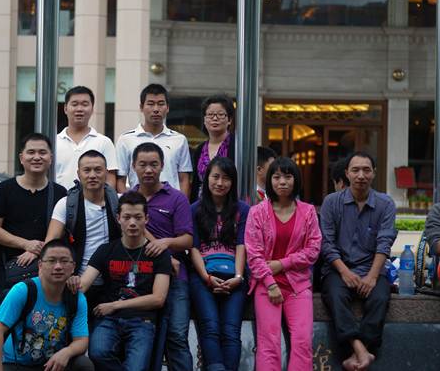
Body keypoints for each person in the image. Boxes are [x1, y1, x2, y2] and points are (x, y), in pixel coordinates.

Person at [320, 151, 397, 371]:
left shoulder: (385, 204)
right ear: (347, 173)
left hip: (372, 268)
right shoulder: (331, 202)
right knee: (335, 296)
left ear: (374, 173)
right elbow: (326, 244)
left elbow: (384, 243)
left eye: (366, 170)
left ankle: (359, 352)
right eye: (355, 170)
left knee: (380, 298)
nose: (361, 175)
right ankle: (360, 349)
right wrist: (344, 272)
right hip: (338, 268)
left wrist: (372, 277)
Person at [79, 191, 172, 371]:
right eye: (127, 217)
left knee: (137, 367)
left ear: (146, 219)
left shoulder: (159, 254)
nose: (132, 223)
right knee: (97, 353)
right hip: (109, 320)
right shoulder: (106, 250)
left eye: (138, 217)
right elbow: (84, 284)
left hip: (142, 320)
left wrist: (115, 305)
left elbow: (158, 298)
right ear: (118, 218)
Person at [245, 156, 322, 371]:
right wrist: (270, 284)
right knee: (269, 343)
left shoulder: (308, 212)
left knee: (302, 340)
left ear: (296, 180)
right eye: (277, 177)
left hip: (298, 285)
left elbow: (313, 250)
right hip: (266, 285)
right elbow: (254, 254)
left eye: (288, 177)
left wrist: (282, 264)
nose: (282, 182)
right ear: (269, 180)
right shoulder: (257, 212)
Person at [130, 142, 193, 371]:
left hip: (176, 277)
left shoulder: (177, 198)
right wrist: (165, 256)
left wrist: (165, 243)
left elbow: (187, 240)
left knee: (177, 336)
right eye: (143, 164)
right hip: (140, 278)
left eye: (154, 164)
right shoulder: (127, 198)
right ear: (133, 166)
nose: (148, 170)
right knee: (145, 338)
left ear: (162, 166)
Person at [0, 239, 93, 371]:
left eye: (64, 261)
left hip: (51, 364)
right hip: (15, 364)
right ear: (40, 265)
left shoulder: (76, 298)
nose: (58, 266)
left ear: (73, 267)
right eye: (51, 261)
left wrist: (66, 352)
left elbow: (81, 340)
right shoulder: (23, 290)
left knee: (83, 365)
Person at [46, 150, 122, 318]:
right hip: (76, 282)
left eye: (98, 170)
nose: (92, 175)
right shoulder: (66, 204)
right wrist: (66, 274)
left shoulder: (119, 202)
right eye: (87, 170)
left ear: (106, 172)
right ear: (78, 173)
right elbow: (50, 244)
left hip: (114, 283)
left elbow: (139, 232)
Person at [190, 156, 249, 371]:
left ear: (233, 182)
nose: (220, 183)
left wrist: (238, 277)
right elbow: (193, 248)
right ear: (207, 179)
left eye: (226, 178)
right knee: (210, 327)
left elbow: (242, 245)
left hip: (235, 275)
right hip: (203, 275)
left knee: (231, 330)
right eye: (215, 177)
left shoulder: (243, 210)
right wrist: (206, 278)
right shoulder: (194, 209)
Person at [0, 133, 67, 272]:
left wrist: (37, 251)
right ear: (21, 158)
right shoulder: (5, 188)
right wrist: (26, 244)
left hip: (47, 269)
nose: (37, 157)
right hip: (8, 267)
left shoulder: (60, 193)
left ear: (51, 158)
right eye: (31, 152)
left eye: (42, 152)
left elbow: (59, 232)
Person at [115, 83, 192, 197]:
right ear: (141, 107)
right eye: (150, 104)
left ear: (167, 107)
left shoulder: (179, 140)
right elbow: (120, 180)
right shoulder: (125, 140)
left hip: (170, 204)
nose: (156, 109)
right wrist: (129, 203)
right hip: (138, 204)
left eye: (161, 104)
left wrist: (181, 204)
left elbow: (184, 179)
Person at [55, 86, 119, 190]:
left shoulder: (104, 142)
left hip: (93, 200)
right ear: (65, 109)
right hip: (59, 199)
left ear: (92, 109)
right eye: (74, 104)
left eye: (84, 104)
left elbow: (110, 179)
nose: (79, 109)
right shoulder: (54, 142)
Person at [190, 96, 235, 202]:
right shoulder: (199, 149)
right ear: (204, 120)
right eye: (210, 115)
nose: (215, 118)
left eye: (220, 115)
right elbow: (196, 182)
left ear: (229, 120)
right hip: (202, 204)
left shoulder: (237, 146)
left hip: (230, 203)